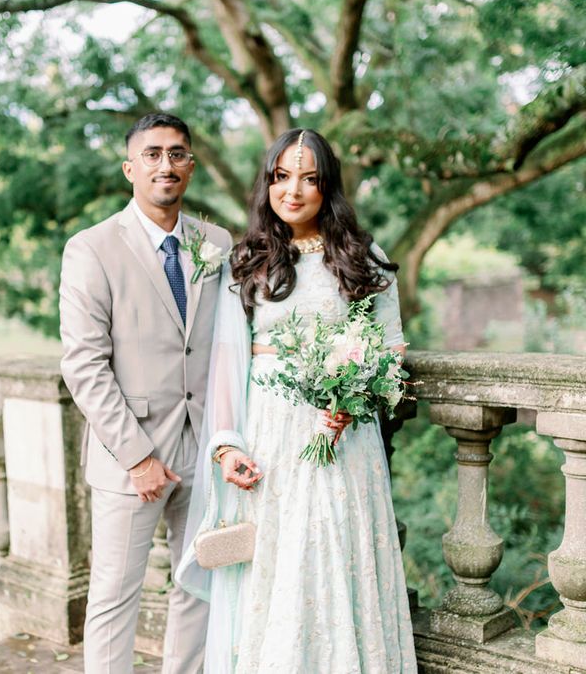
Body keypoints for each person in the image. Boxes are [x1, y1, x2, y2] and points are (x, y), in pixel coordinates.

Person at [177, 128, 417, 672]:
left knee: (336, 557)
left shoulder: (361, 256)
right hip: (270, 439)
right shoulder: (249, 260)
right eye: (282, 177)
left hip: (342, 439)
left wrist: (353, 400)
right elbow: (226, 365)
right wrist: (226, 447)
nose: (294, 190)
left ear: (327, 187)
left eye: (309, 179)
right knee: (279, 568)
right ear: (268, 185)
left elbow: (391, 348)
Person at [59, 112, 232, 673]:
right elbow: (84, 365)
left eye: (177, 154)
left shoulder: (218, 243)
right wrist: (137, 458)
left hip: (205, 446)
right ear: (130, 167)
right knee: (113, 598)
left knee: (198, 588)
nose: (167, 165)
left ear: (191, 166)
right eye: (153, 154)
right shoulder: (91, 248)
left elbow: (232, 343)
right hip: (129, 456)